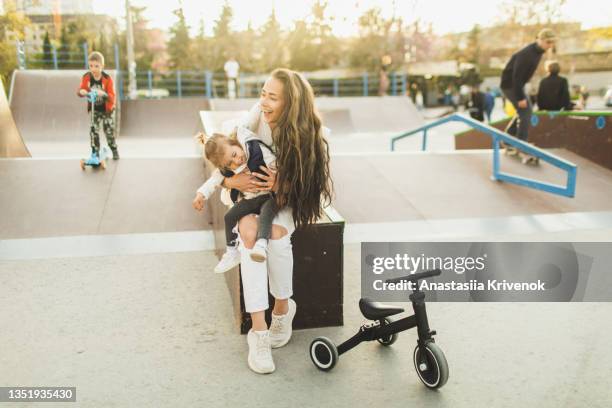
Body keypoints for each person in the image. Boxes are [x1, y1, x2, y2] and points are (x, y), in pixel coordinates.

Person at [214, 68, 332, 374]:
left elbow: (313, 190)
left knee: (277, 235)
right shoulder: (254, 117)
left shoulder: (312, 135)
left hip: (289, 200)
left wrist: (282, 183)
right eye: (263, 93)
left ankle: (282, 309)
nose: (264, 102)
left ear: (291, 104)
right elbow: (223, 159)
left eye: (273, 97)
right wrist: (232, 184)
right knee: (249, 233)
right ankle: (260, 332)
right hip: (253, 197)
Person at [192, 127, 278, 273]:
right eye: (230, 162)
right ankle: (232, 252)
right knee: (229, 216)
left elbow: (275, 165)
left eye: (234, 154)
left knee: (267, 212)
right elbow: (214, 180)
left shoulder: (255, 151)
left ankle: (261, 245)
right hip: (252, 200)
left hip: (270, 196)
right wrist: (201, 194)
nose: (237, 161)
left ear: (236, 144)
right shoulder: (230, 169)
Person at [500, 28, 556, 161]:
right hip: (510, 85)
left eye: (552, 43)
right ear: (540, 40)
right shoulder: (527, 53)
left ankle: (507, 140)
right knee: (526, 111)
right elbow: (517, 77)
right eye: (548, 42)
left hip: (515, 85)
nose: (550, 45)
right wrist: (520, 97)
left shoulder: (538, 52)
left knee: (524, 111)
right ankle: (521, 144)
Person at [77, 51, 119, 160]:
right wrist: (82, 92)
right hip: (95, 109)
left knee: (108, 129)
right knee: (93, 130)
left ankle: (114, 149)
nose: (93, 69)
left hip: (107, 110)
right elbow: (82, 88)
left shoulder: (107, 79)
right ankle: (95, 152)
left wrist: (104, 94)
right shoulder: (86, 77)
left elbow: (112, 96)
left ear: (102, 66)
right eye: (91, 66)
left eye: (96, 66)